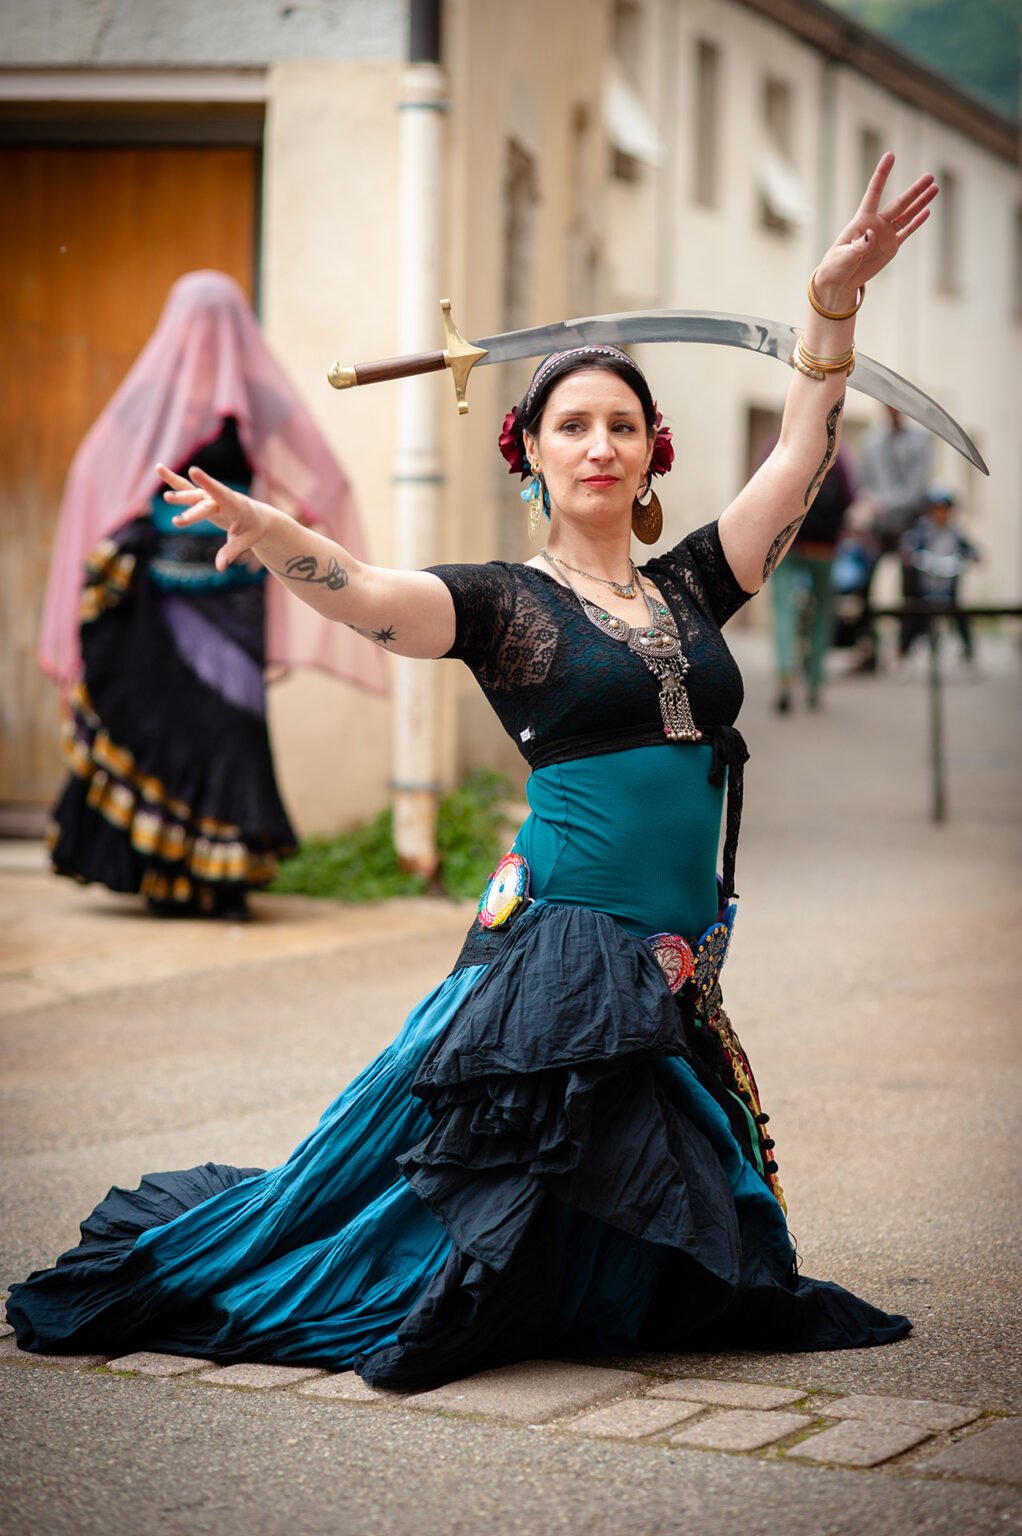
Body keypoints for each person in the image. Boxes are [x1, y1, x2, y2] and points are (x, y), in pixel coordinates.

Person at [8, 156, 936, 1387]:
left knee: (663, 1256)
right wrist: (276, 536)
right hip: (565, 950)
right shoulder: (504, 605)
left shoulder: (692, 585)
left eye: (620, 426)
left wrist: (831, 305)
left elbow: (800, 454)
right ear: (531, 455)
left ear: (651, 456)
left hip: (674, 961)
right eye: (572, 426)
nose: (598, 445)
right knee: (455, 1230)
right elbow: (370, 597)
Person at [37, 271, 387, 919]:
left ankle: (222, 884)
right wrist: (129, 526)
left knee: (229, 727)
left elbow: (326, 478)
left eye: (217, 318)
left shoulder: (257, 398)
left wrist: (281, 528)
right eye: (195, 319)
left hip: (233, 594)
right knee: (162, 726)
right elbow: (94, 469)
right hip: (156, 600)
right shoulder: (154, 396)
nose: (206, 331)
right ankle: (166, 878)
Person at [768, 446, 855, 712]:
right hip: (824, 547)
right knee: (823, 612)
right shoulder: (838, 454)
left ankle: (785, 674)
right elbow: (850, 498)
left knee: (784, 609)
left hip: (788, 544)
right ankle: (815, 683)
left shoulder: (780, 446)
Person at [852, 404, 933, 670]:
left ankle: (905, 647)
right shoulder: (871, 441)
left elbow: (917, 489)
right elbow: (864, 482)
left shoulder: (919, 442)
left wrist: (884, 502)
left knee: (910, 587)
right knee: (863, 584)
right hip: (878, 526)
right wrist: (870, 504)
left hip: (907, 523)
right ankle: (867, 647)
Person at [898, 486, 980, 663]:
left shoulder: (955, 532)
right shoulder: (921, 530)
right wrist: (913, 557)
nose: (941, 514)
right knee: (913, 614)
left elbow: (970, 549)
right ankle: (903, 652)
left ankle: (968, 652)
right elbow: (908, 547)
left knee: (959, 614)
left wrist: (972, 558)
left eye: (945, 510)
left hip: (948, 586)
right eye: (937, 510)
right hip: (925, 585)